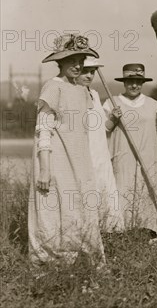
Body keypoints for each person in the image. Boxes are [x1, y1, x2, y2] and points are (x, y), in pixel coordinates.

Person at [29, 34, 105, 266]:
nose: (78, 64)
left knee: (81, 206)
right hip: (55, 159)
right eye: (72, 59)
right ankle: (51, 263)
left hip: (79, 159)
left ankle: (83, 260)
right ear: (59, 62)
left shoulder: (82, 89)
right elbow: (44, 128)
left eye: (81, 59)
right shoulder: (53, 87)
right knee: (54, 208)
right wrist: (45, 168)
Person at [104, 64, 157, 237]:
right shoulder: (112, 103)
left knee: (148, 193)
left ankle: (147, 231)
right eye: (130, 82)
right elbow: (104, 130)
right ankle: (123, 232)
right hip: (123, 155)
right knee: (123, 191)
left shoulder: (153, 104)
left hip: (148, 155)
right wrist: (113, 118)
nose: (134, 85)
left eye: (138, 82)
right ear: (124, 83)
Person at [75, 57, 124, 233]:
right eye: (85, 71)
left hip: (100, 152)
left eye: (92, 71)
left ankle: (108, 232)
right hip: (84, 154)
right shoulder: (71, 95)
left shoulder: (94, 94)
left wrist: (113, 118)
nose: (89, 75)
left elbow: (104, 128)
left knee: (105, 189)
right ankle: (88, 234)